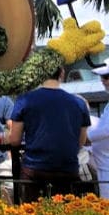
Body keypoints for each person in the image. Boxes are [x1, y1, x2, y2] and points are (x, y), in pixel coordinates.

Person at [8, 65, 91, 203]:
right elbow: (81, 141)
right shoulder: (79, 103)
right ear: (62, 74)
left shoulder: (25, 100)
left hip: (35, 169)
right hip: (67, 168)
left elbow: (15, 140)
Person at [87, 65, 109, 199]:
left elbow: (106, 130)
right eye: (102, 78)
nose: (103, 81)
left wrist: (86, 138)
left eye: (106, 77)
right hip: (104, 164)